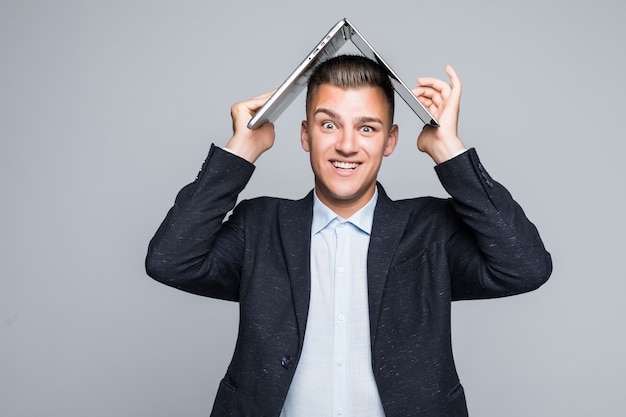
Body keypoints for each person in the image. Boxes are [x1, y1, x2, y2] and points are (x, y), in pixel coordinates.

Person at [145, 54, 552, 417]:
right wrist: (240, 151)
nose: (346, 145)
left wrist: (450, 151)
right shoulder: (260, 225)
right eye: (328, 124)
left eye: (367, 128)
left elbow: (525, 268)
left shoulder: (431, 230)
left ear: (390, 140)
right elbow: (170, 260)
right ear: (305, 135)